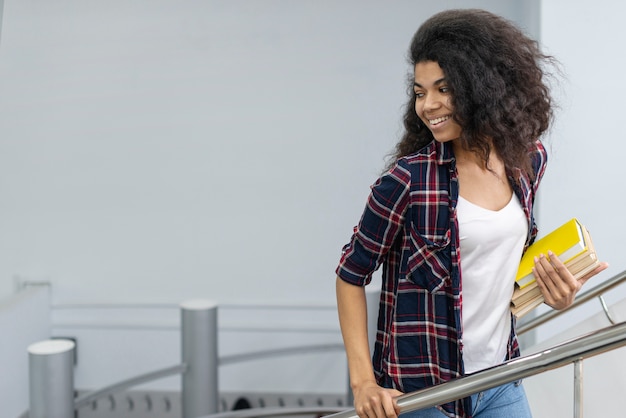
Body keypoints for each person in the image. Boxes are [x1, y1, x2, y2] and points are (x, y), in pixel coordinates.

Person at [334, 9, 608, 418]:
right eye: (420, 91)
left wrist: (554, 295)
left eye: (444, 89)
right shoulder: (408, 181)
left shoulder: (528, 161)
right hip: (424, 394)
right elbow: (350, 274)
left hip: (499, 379)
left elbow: (489, 269)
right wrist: (363, 382)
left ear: (483, 85)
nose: (429, 105)